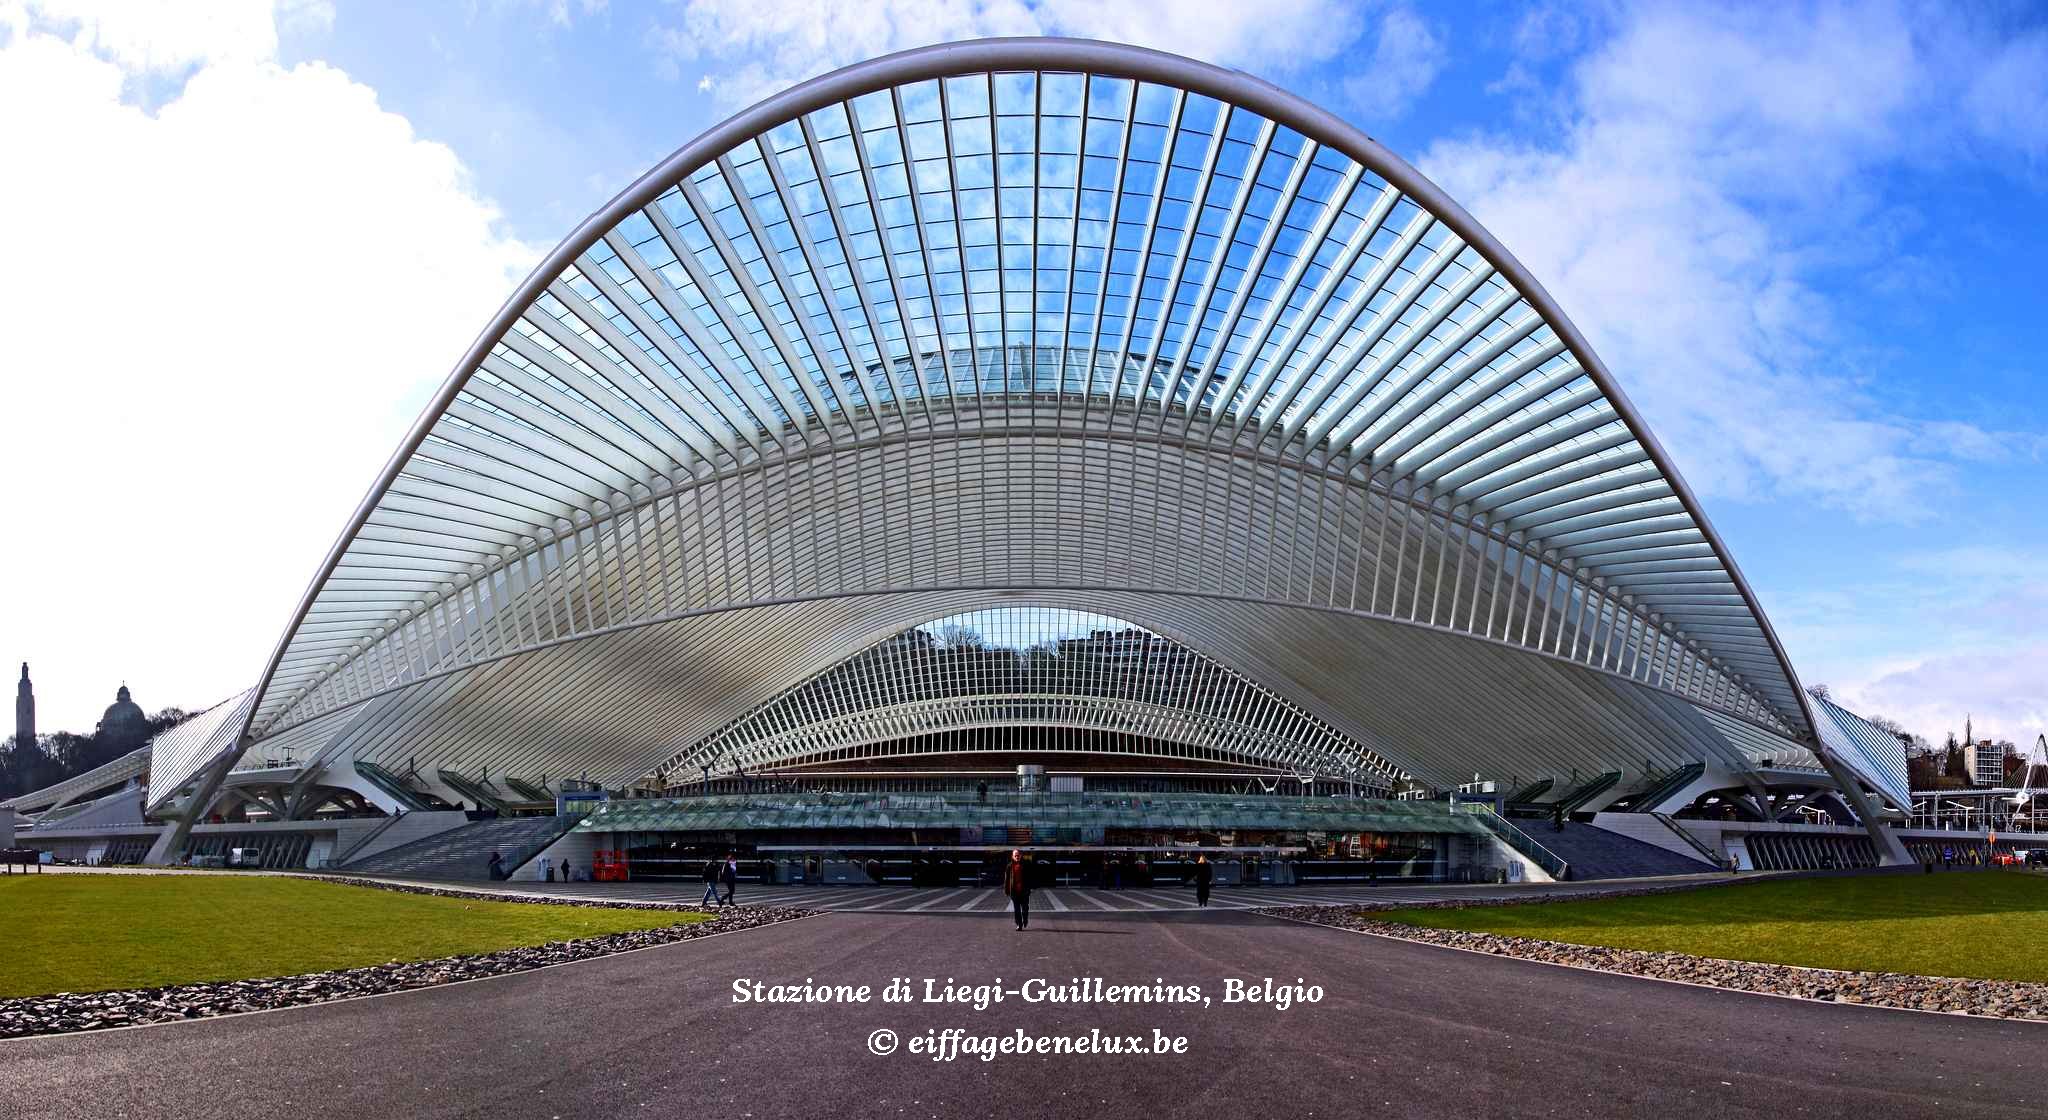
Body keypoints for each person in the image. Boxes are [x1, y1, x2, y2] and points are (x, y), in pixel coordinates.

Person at [1003, 849, 1031, 930]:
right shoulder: (1009, 866)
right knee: (1017, 910)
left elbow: (1031, 877)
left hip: (1024, 891)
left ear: (1021, 855)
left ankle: (1025, 919)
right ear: (1012, 856)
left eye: (1018, 855)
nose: (1017, 856)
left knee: (1025, 909)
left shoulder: (1026, 864)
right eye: (1015, 855)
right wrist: (1006, 890)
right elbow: (1007, 879)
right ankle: (1019, 924)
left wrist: (1030, 887)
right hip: (1014, 892)